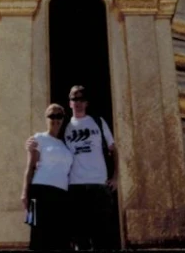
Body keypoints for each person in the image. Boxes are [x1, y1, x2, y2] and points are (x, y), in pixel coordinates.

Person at [64, 85, 118, 251]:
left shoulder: (98, 121)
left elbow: (113, 149)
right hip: (74, 186)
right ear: (70, 103)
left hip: (99, 185)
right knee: (80, 237)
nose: (78, 102)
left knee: (102, 235)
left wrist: (116, 177)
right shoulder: (64, 126)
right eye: (74, 99)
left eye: (81, 99)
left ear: (86, 103)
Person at [21, 103, 73, 251]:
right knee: (39, 237)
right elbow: (30, 167)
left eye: (59, 116)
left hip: (61, 195)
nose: (55, 119)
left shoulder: (65, 144)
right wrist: (25, 192)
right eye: (52, 115)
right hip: (40, 192)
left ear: (63, 119)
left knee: (61, 239)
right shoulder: (39, 138)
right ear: (46, 118)